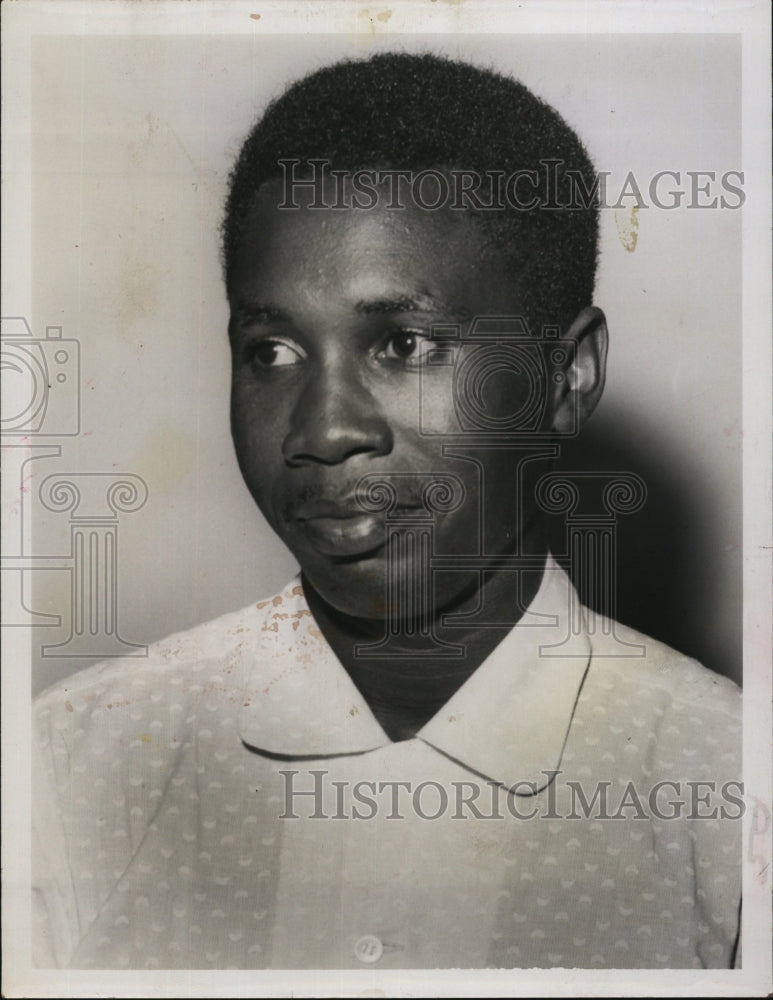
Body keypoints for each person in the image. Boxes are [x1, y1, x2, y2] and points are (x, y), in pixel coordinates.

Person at [32, 51, 742, 970]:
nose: (324, 429)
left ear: (567, 377)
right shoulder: (67, 774)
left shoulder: (723, 793)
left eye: (403, 344)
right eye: (272, 351)